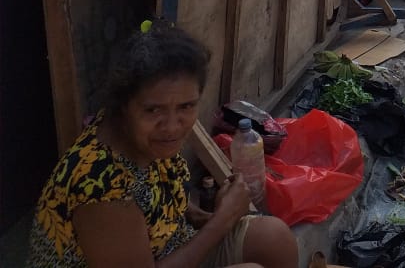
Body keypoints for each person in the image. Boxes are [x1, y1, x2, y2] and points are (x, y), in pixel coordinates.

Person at [27, 25, 298, 268]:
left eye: (186, 106)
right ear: (124, 106)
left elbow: (163, 204)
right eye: (153, 110)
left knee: (273, 238)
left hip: (168, 249)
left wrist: (207, 217)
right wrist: (222, 220)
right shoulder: (99, 185)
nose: (172, 125)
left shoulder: (149, 141)